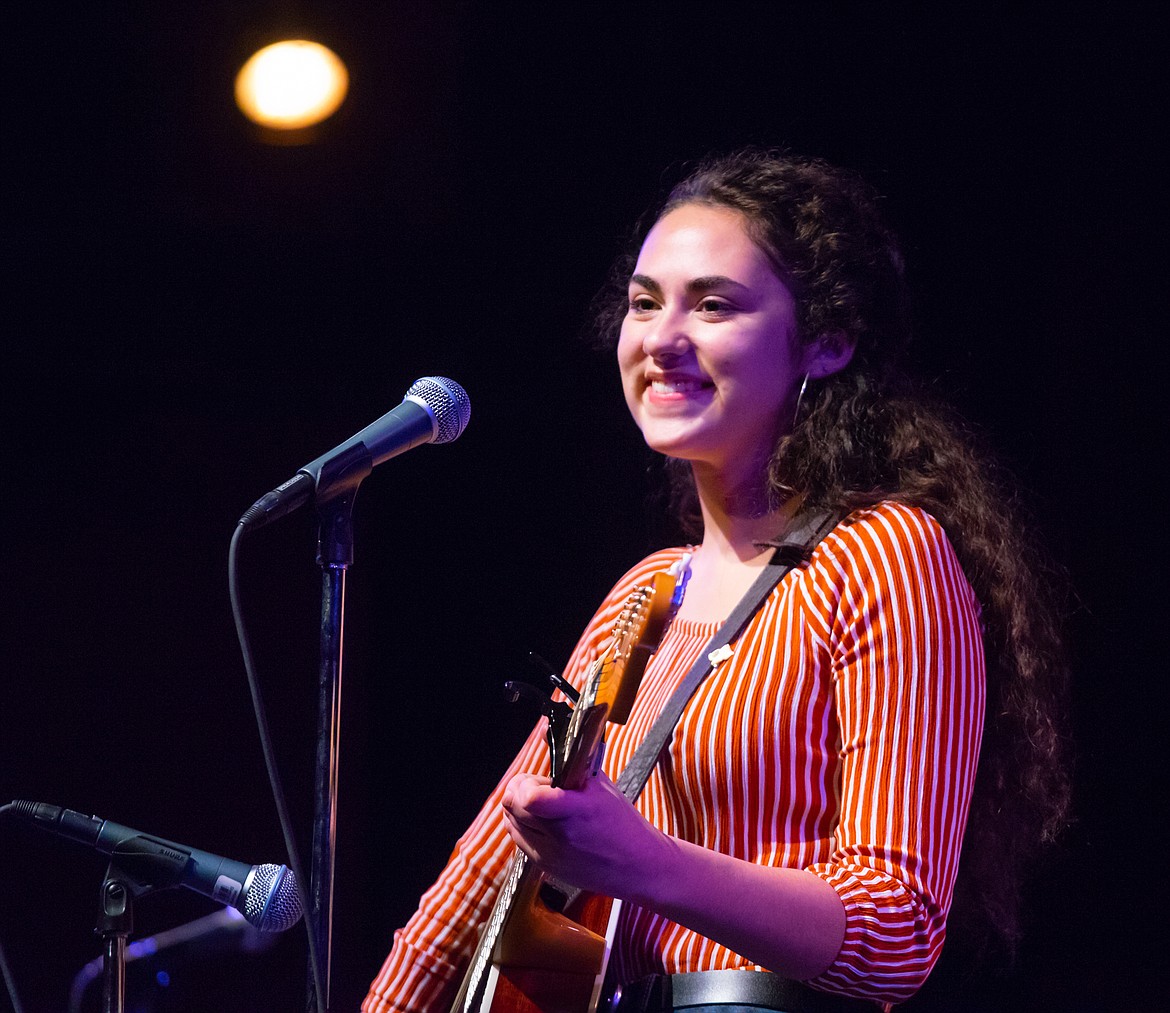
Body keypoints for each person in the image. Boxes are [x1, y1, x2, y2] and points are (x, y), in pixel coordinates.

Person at [362, 149, 1070, 1011]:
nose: (662, 338)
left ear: (827, 340)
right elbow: (467, 901)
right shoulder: (647, 593)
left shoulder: (885, 556)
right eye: (644, 302)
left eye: (714, 305)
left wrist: (641, 862)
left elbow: (894, 935)